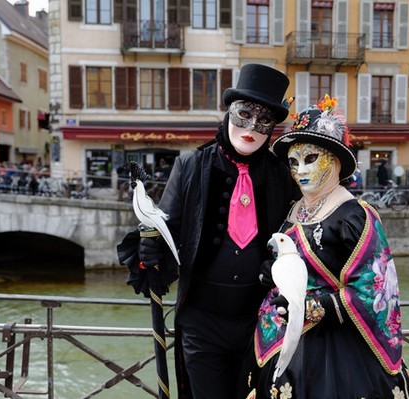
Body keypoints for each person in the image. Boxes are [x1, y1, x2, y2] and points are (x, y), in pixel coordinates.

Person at [117, 64, 300, 399]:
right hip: (203, 323)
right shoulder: (191, 165)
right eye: (244, 114)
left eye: (264, 121)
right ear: (229, 112)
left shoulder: (281, 175)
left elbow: (298, 235)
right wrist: (150, 253)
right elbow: (166, 231)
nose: (251, 127)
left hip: (260, 321)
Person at [242, 96, 409, 398]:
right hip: (279, 338)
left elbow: (374, 288)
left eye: (310, 159)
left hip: (337, 350)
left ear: (335, 161)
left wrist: (318, 307)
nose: (299, 170)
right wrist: (271, 272)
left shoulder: (355, 216)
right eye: (293, 162)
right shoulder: (292, 210)